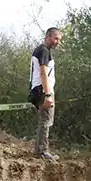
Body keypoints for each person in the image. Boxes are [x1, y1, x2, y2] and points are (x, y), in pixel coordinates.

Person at [28, 27, 62, 161]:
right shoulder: (43, 51)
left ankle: (40, 150)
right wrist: (48, 94)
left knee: (46, 120)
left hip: (39, 89)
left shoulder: (42, 50)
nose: (57, 42)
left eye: (59, 39)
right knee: (46, 121)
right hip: (42, 90)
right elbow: (43, 73)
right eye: (55, 38)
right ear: (48, 36)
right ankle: (42, 152)